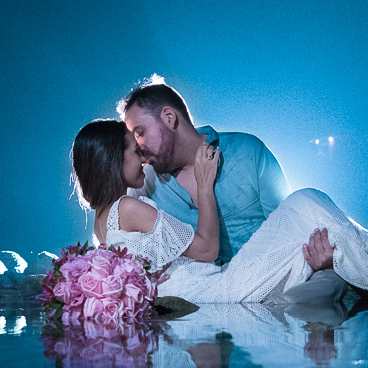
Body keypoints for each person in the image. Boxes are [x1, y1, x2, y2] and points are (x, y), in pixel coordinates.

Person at [70, 119, 368, 303]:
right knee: (308, 206)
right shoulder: (129, 206)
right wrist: (206, 184)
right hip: (219, 293)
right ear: (110, 161)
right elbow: (207, 248)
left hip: (210, 289)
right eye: (131, 148)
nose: (141, 156)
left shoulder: (103, 223)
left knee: (308, 207)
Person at [119, 79, 290, 265]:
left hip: (273, 274)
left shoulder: (246, 151)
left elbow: (289, 226)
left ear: (169, 117)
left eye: (140, 133)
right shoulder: (145, 184)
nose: (139, 148)